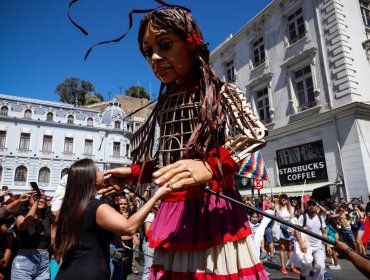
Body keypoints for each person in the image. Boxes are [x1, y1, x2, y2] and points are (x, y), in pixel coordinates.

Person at [103, 6, 268, 279]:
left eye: (165, 45)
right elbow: (171, 158)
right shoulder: (165, 104)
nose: (155, 57)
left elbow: (254, 134)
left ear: (191, 42)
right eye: (148, 51)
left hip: (213, 208)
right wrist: (135, 173)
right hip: (172, 209)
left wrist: (211, 166)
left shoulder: (221, 91)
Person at [54, 158, 170, 280]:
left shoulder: (71, 206)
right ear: (90, 178)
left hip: (71, 272)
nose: (104, 173)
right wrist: (156, 196)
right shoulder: (96, 207)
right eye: (99, 171)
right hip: (89, 273)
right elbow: (129, 227)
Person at [11, 192, 52, 280]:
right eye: (37, 197)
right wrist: (35, 204)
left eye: (43, 197)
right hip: (25, 260)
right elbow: (25, 225)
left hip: (44, 260)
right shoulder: (21, 217)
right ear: (27, 201)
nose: (41, 199)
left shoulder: (47, 218)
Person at [294, 199, 332, 280]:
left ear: (316, 206)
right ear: (307, 207)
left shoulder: (320, 218)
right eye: (309, 205)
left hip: (318, 247)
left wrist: (328, 245)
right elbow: (296, 230)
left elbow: (324, 233)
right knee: (306, 266)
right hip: (306, 246)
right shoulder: (303, 217)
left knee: (321, 267)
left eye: (313, 205)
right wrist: (301, 243)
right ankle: (303, 276)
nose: (311, 206)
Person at [275, 193, 300, 275]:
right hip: (281, 227)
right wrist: (275, 207)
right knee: (282, 248)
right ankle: (283, 267)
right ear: (280, 199)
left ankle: (292, 266)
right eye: (282, 198)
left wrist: (292, 228)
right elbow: (277, 218)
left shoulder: (291, 208)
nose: (283, 199)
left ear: (287, 199)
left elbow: (292, 218)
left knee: (289, 248)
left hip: (289, 227)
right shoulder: (277, 207)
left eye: (285, 198)